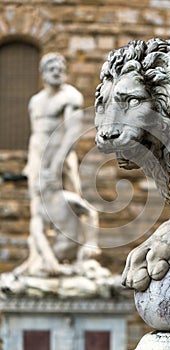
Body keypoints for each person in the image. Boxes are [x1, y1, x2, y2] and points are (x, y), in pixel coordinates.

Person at [20, 53, 100, 276]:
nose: (56, 71)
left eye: (60, 67)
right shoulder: (35, 101)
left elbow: (72, 132)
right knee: (38, 199)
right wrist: (34, 162)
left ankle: (79, 254)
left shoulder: (70, 96)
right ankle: (38, 256)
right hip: (38, 153)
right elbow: (36, 134)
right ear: (43, 73)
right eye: (51, 68)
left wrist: (56, 162)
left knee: (71, 202)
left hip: (62, 154)